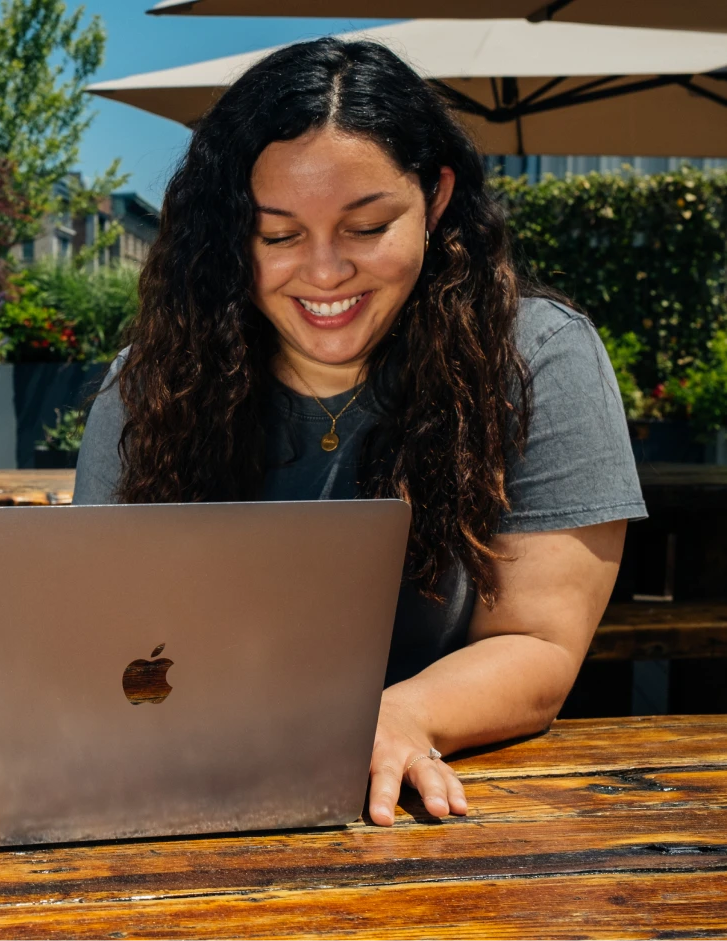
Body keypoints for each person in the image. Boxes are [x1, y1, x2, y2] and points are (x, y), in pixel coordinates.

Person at [75, 39, 644, 826]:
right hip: (184, 791)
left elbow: (541, 644)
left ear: (437, 199)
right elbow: (98, 635)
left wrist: (400, 716)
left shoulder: (534, 358)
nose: (325, 270)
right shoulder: (151, 379)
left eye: (367, 226)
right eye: (277, 236)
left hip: (430, 810)